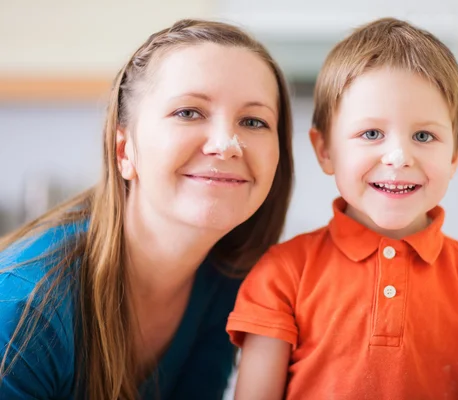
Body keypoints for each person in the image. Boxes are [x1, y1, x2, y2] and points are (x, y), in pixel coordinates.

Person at [226, 17, 458, 400]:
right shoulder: (281, 275)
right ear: (325, 149)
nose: (398, 156)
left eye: (424, 136)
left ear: (455, 157)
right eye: (371, 134)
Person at [0, 18, 293, 400]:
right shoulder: (23, 309)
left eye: (254, 121)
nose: (227, 144)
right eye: (189, 112)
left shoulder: (228, 283)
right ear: (124, 151)